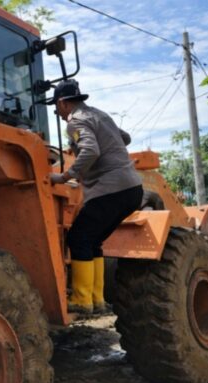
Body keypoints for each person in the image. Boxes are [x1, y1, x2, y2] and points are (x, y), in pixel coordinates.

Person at [49, 79, 143, 315]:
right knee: (92, 241)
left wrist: (66, 175)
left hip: (110, 189)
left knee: (79, 238)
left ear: (63, 103)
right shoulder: (101, 115)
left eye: (56, 107)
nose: (58, 113)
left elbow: (91, 150)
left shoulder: (75, 121)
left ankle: (81, 301)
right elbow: (126, 138)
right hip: (132, 189)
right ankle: (97, 300)